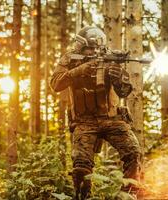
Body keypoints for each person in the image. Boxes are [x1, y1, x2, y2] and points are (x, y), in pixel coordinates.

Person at [50, 26, 141, 200]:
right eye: (89, 48)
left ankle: (130, 195)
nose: (93, 52)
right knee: (81, 166)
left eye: (95, 48)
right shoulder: (70, 59)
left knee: (133, 152)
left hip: (112, 118)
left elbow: (124, 92)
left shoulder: (109, 58)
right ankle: (83, 196)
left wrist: (117, 77)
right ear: (81, 47)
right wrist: (79, 71)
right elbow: (55, 84)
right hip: (84, 122)